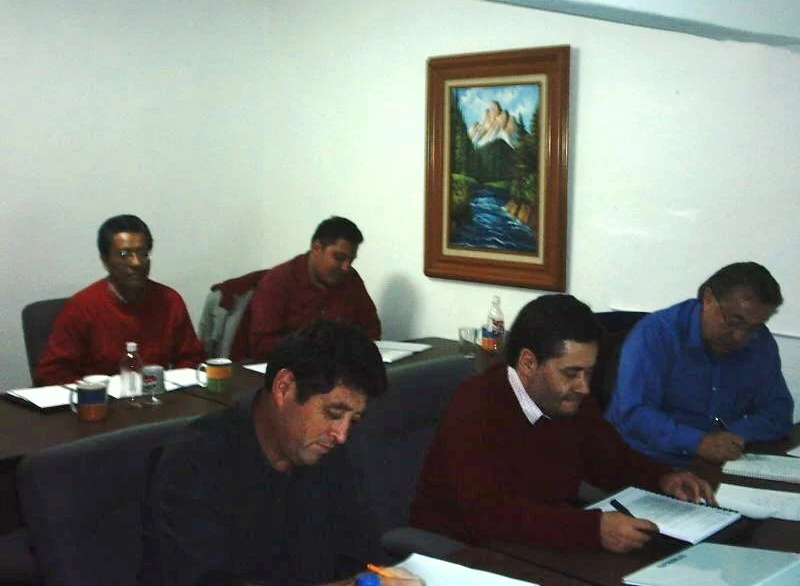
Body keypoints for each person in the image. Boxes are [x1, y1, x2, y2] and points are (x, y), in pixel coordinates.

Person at [410, 294, 714, 553]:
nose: (584, 386)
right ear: (528, 363)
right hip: (466, 552)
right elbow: (488, 514)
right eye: (571, 372)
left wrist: (664, 478)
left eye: (589, 372)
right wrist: (593, 529)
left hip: (538, 543)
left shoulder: (571, 401)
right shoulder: (476, 404)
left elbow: (612, 461)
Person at [139, 319, 412, 586]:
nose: (341, 434)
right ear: (284, 388)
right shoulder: (194, 461)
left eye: (354, 420)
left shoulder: (330, 453)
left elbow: (359, 555)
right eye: (333, 413)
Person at [605, 262, 793, 466]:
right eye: (733, 321)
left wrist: (733, 436)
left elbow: (779, 411)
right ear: (708, 298)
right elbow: (633, 414)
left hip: (718, 463)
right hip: (647, 462)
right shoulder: (656, 334)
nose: (739, 337)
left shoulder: (759, 342)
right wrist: (698, 442)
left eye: (752, 327)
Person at [34, 215, 204, 385]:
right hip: (99, 397)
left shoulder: (169, 301)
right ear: (105, 260)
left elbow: (192, 360)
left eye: (143, 253)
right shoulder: (82, 307)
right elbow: (50, 374)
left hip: (157, 395)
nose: (136, 263)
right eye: (124, 254)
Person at [249, 216, 381, 359]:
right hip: (291, 365)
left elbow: (371, 329)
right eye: (339, 257)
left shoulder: (350, 279)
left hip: (340, 365)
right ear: (316, 247)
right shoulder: (278, 281)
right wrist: (312, 349)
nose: (346, 267)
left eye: (351, 260)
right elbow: (260, 344)